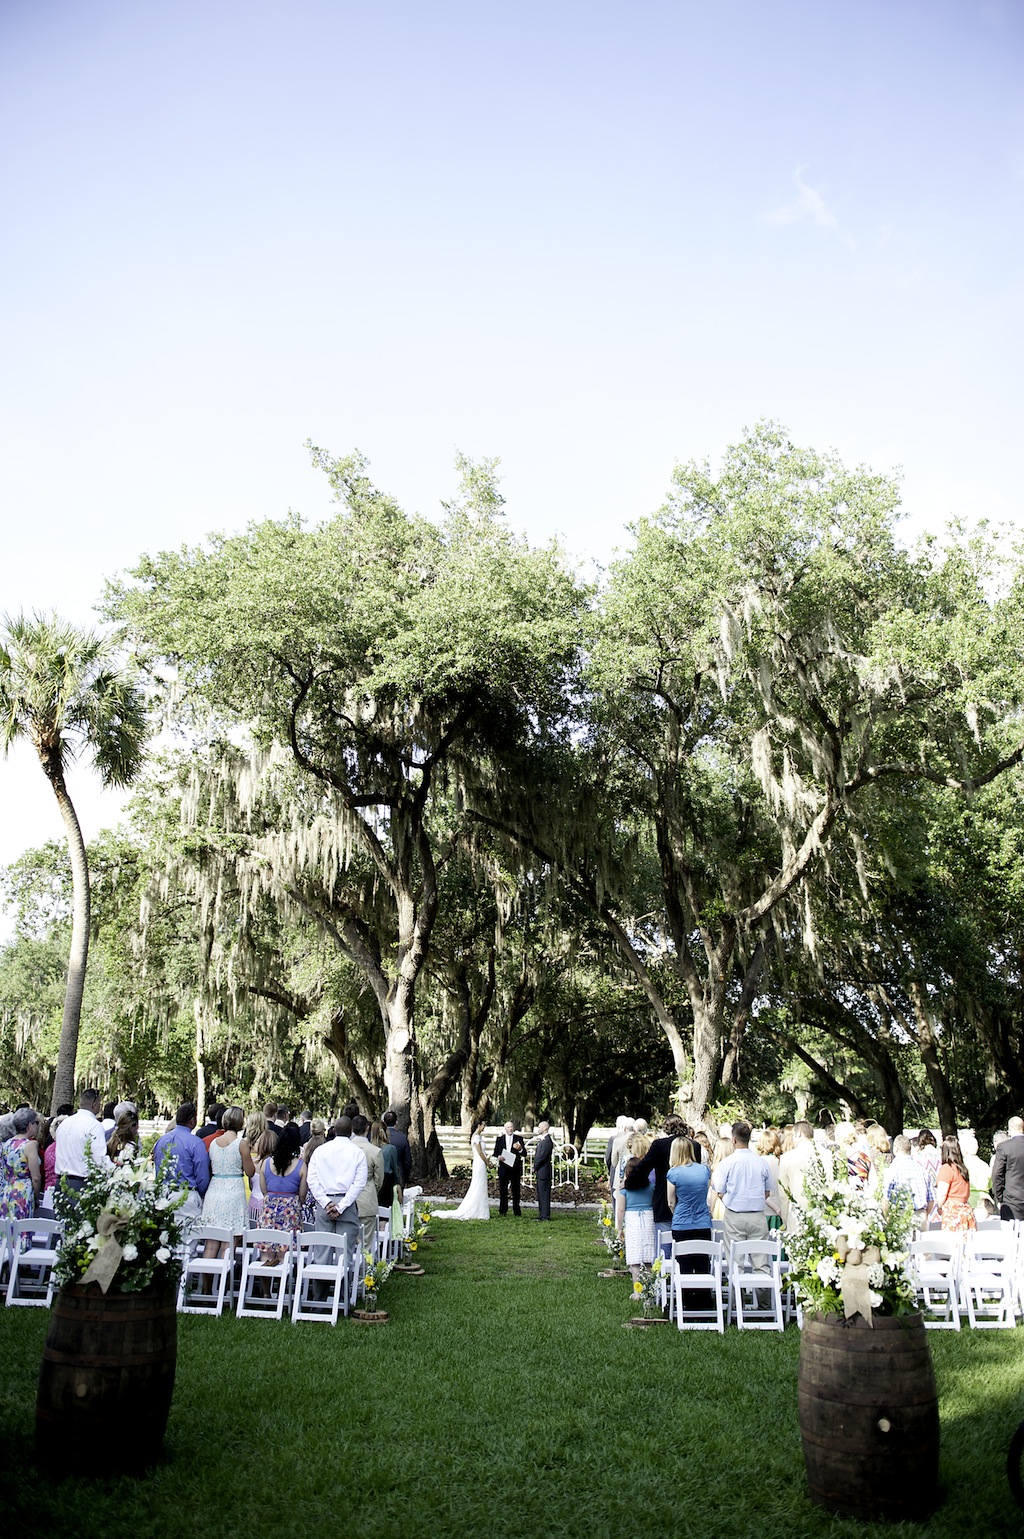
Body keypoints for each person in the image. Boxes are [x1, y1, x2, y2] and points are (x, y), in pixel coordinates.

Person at [708, 1121, 775, 1257]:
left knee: (735, 1260)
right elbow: (767, 1192)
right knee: (760, 1259)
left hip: (734, 1214)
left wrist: (730, 1202)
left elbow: (719, 1191)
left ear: (734, 1140)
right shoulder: (762, 1162)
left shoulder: (726, 1163)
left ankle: (735, 1278)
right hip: (757, 1214)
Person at [306, 1116, 367, 1259]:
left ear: (333, 1130)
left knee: (321, 1252)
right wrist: (341, 1206)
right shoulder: (357, 1152)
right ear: (351, 1131)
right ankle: (344, 1280)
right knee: (345, 1253)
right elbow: (359, 1184)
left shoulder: (320, 1151)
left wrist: (326, 1202)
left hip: (325, 1203)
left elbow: (312, 1180)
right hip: (346, 1201)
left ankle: (321, 1280)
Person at [666, 1134, 713, 1308]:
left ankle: (686, 1300)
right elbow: (704, 1192)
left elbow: (671, 1201)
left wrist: (676, 1212)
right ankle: (703, 1300)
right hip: (702, 1221)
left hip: (682, 1222)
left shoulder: (673, 1173)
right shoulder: (704, 1170)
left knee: (684, 1263)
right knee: (702, 1262)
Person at [152, 1102, 211, 1225]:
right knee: (189, 1239)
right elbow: (202, 1176)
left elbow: (157, 1169)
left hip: (164, 1194)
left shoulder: (161, 1140)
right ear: (192, 1120)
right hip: (187, 1196)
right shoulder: (195, 1143)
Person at [201, 1105, 253, 1241]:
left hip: (214, 1189)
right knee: (229, 1243)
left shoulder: (213, 1143)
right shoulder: (241, 1144)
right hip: (234, 1190)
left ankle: (207, 1263)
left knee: (211, 1243)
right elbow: (250, 1172)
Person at [259, 1122, 307, 1264]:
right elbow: (302, 1195)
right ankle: (282, 1285)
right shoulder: (301, 1165)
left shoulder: (266, 1163)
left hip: (269, 1209)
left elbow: (263, 1190)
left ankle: (266, 1285)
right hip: (290, 1210)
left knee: (266, 1253)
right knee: (284, 1254)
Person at [55, 1088, 109, 1193]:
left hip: (60, 1182)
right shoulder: (94, 1125)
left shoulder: (64, 1124)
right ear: (95, 1104)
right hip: (80, 1184)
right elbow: (99, 1158)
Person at [438, 1117, 492, 1220]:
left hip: (481, 1162)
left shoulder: (478, 1137)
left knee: (480, 1185)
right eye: (483, 1125)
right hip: (480, 1163)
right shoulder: (476, 1137)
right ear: (478, 1125)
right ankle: (476, 1210)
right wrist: (488, 1163)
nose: (484, 1127)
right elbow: (480, 1152)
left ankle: (480, 1210)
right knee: (478, 1185)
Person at [620, 1131, 656, 1280]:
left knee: (634, 1257)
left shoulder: (625, 1191)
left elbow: (621, 1209)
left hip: (633, 1220)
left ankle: (637, 1290)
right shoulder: (651, 1187)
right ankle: (650, 1287)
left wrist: (619, 1228)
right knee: (648, 1254)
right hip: (648, 1218)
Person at [0, 1106, 42, 1219]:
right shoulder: (30, 1145)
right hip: (23, 1192)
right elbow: (36, 1177)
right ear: (29, 1126)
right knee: (22, 1231)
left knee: (7, 1231)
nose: (38, 1126)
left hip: (6, 1191)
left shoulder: (8, 1143)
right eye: (36, 1123)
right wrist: (36, 1197)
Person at [351, 1114, 384, 1253]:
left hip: (347, 1197)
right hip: (367, 1196)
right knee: (367, 1241)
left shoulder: (346, 1148)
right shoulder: (375, 1151)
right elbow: (379, 1179)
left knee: (349, 1239)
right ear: (367, 1129)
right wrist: (371, 1190)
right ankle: (366, 1270)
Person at [884, 1135, 932, 1226]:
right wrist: (923, 1214)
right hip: (920, 1215)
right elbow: (931, 1199)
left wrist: (887, 1218)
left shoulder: (892, 1169)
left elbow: (886, 1197)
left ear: (896, 1149)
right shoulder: (921, 1169)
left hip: (900, 1215)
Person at [778, 1120, 817, 1230]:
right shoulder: (827, 1154)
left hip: (797, 1216)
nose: (793, 1140)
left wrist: (785, 1221)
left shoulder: (787, 1158)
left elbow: (783, 1194)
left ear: (799, 1133)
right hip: (822, 1215)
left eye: (793, 1136)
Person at [936, 1136, 976, 1233]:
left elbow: (942, 1195)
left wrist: (939, 1206)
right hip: (966, 1210)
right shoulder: (963, 1169)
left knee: (951, 1245)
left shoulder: (946, 1168)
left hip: (953, 1212)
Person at [991, 1115, 1024, 1221]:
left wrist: (999, 1197)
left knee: (1011, 1234)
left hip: (1011, 1200)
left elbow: (997, 1174)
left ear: (1010, 1128)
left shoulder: (1004, 1147)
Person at [493, 1121, 527, 1216]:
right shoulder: (500, 1139)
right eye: (508, 1127)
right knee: (503, 1190)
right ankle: (503, 1210)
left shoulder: (518, 1139)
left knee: (516, 1190)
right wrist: (499, 1157)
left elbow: (524, 1153)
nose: (510, 1129)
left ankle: (517, 1210)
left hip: (515, 1168)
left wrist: (520, 1149)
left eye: (511, 1127)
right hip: (503, 1167)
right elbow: (495, 1153)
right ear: (505, 1128)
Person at [383, 1109, 412, 1187]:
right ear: (396, 1122)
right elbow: (407, 1161)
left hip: (382, 1175)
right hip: (399, 1174)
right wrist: (406, 1176)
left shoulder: (380, 1137)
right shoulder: (402, 1137)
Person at [533, 1121, 553, 1221]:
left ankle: (545, 1216)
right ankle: (542, 1214)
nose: (538, 1129)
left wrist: (535, 1166)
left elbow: (542, 1157)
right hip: (542, 1171)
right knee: (541, 1193)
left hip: (544, 1171)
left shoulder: (547, 1141)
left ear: (545, 1128)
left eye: (539, 1127)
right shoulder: (544, 1140)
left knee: (544, 1194)